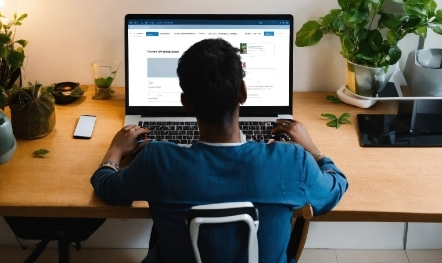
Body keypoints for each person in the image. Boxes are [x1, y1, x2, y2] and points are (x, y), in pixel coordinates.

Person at [91, 38, 348, 263]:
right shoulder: (291, 160)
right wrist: (312, 150)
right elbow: (334, 189)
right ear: (243, 93)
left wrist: (115, 151)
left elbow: (107, 188)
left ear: (185, 103)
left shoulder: (156, 159)